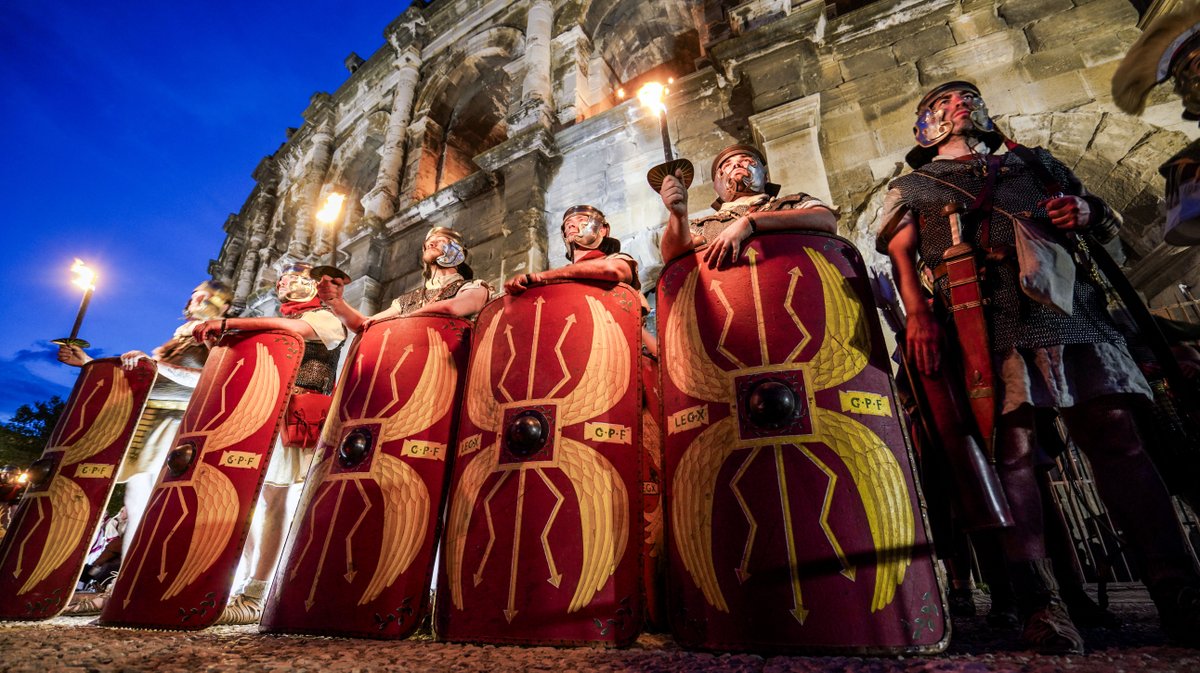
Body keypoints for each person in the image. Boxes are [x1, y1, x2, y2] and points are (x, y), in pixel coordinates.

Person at [876, 80, 1200, 653]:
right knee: (1013, 453)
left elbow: (1107, 227)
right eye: (943, 102)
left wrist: (1086, 210)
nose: (959, 104)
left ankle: (1179, 590)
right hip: (985, 319)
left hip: (1070, 311)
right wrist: (919, 316)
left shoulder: (1035, 162)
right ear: (926, 125)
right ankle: (1040, 603)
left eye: (966, 96)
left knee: (1120, 443)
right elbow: (902, 256)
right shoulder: (913, 186)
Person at [56, 281, 231, 614]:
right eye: (193, 293)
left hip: (180, 423)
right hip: (150, 419)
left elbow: (213, 376)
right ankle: (128, 582)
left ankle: (148, 585)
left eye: (205, 295)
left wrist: (154, 365)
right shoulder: (180, 336)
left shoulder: (214, 335)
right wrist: (89, 362)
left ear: (223, 305)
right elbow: (146, 377)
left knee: (161, 503)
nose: (195, 299)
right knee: (137, 502)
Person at [192, 263, 347, 624]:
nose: (287, 284)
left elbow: (292, 330)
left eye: (298, 279)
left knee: (277, 502)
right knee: (244, 501)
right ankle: (235, 582)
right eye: (283, 280)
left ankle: (258, 593)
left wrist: (230, 324)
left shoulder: (325, 319)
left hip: (298, 420)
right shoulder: (276, 322)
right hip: (261, 414)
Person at [657, 143, 837, 266]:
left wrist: (751, 222)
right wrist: (678, 216)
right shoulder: (703, 226)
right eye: (727, 165)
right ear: (716, 186)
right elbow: (672, 255)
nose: (736, 165)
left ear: (765, 176)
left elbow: (826, 220)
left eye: (745, 160)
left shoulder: (790, 204)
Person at [319, 226, 490, 328]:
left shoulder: (475, 287)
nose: (431, 243)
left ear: (456, 250)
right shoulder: (406, 301)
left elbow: (452, 308)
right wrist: (336, 302)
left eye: (441, 240)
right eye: (429, 242)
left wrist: (403, 320)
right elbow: (364, 324)